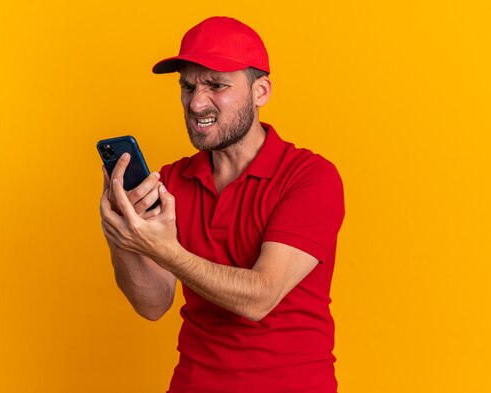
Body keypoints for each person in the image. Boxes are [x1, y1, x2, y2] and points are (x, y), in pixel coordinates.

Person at [99, 16, 345, 393]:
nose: (197, 103)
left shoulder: (310, 177)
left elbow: (260, 297)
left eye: (216, 85)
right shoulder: (171, 182)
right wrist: (124, 238)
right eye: (187, 86)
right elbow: (152, 305)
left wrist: (163, 250)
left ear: (260, 91)